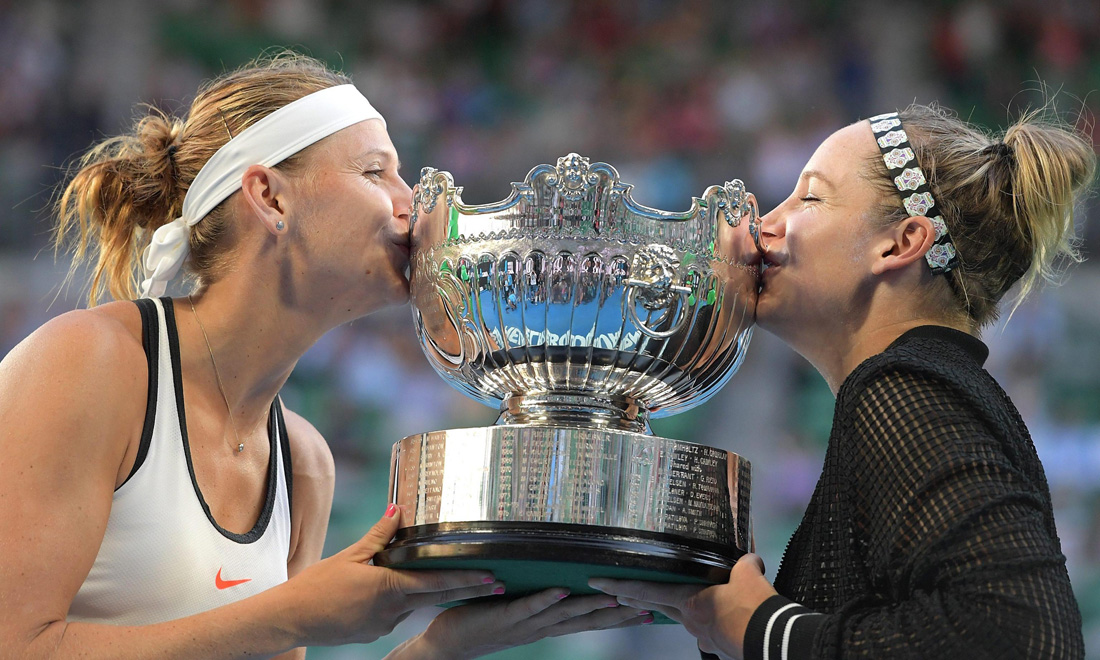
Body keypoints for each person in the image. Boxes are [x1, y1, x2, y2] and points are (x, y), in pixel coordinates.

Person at [0, 52, 648, 659]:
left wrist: (437, 649)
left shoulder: (304, 463)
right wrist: (294, 614)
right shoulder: (89, 364)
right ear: (270, 197)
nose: (411, 202)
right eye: (376, 171)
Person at [590, 102, 1097, 659]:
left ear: (901, 244)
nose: (767, 224)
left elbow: (1023, 637)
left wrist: (765, 628)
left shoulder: (908, 390)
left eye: (809, 196)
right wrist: (721, 617)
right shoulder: (917, 388)